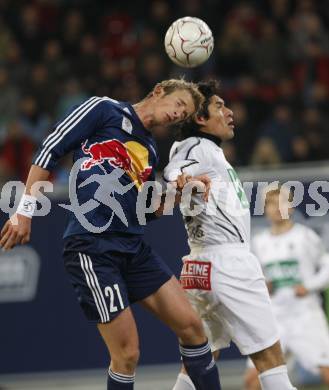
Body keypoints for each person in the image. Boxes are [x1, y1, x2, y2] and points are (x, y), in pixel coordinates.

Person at [0, 79, 222, 390]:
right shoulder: (103, 109)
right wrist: (24, 210)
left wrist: (180, 191)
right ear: (159, 91)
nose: (178, 115)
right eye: (179, 105)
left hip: (132, 246)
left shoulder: (149, 151)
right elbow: (51, 147)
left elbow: (146, 210)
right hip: (92, 247)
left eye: (184, 115)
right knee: (127, 354)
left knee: (193, 328)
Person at [164, 80, 297, 390]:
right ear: (200, 119)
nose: (229, 112)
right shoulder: (200, 148)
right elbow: (175, 168)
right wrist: (181, 178)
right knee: (270, 357)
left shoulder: (205, 150)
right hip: (229, 263)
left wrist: (181, 177)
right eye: (219, 107)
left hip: (199, 266)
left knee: (199, 359)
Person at [244, 187, 329, 389]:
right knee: (252, 381)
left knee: (327, 372)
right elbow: (254, 277)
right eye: (271, 204)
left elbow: (327, 267)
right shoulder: (259, 242)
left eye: (281, 202)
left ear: (290, 207)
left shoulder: (305, 237)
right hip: (275, 318)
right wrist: (263, 283)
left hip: (305, 315)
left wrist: (309, 286)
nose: (276, 208)